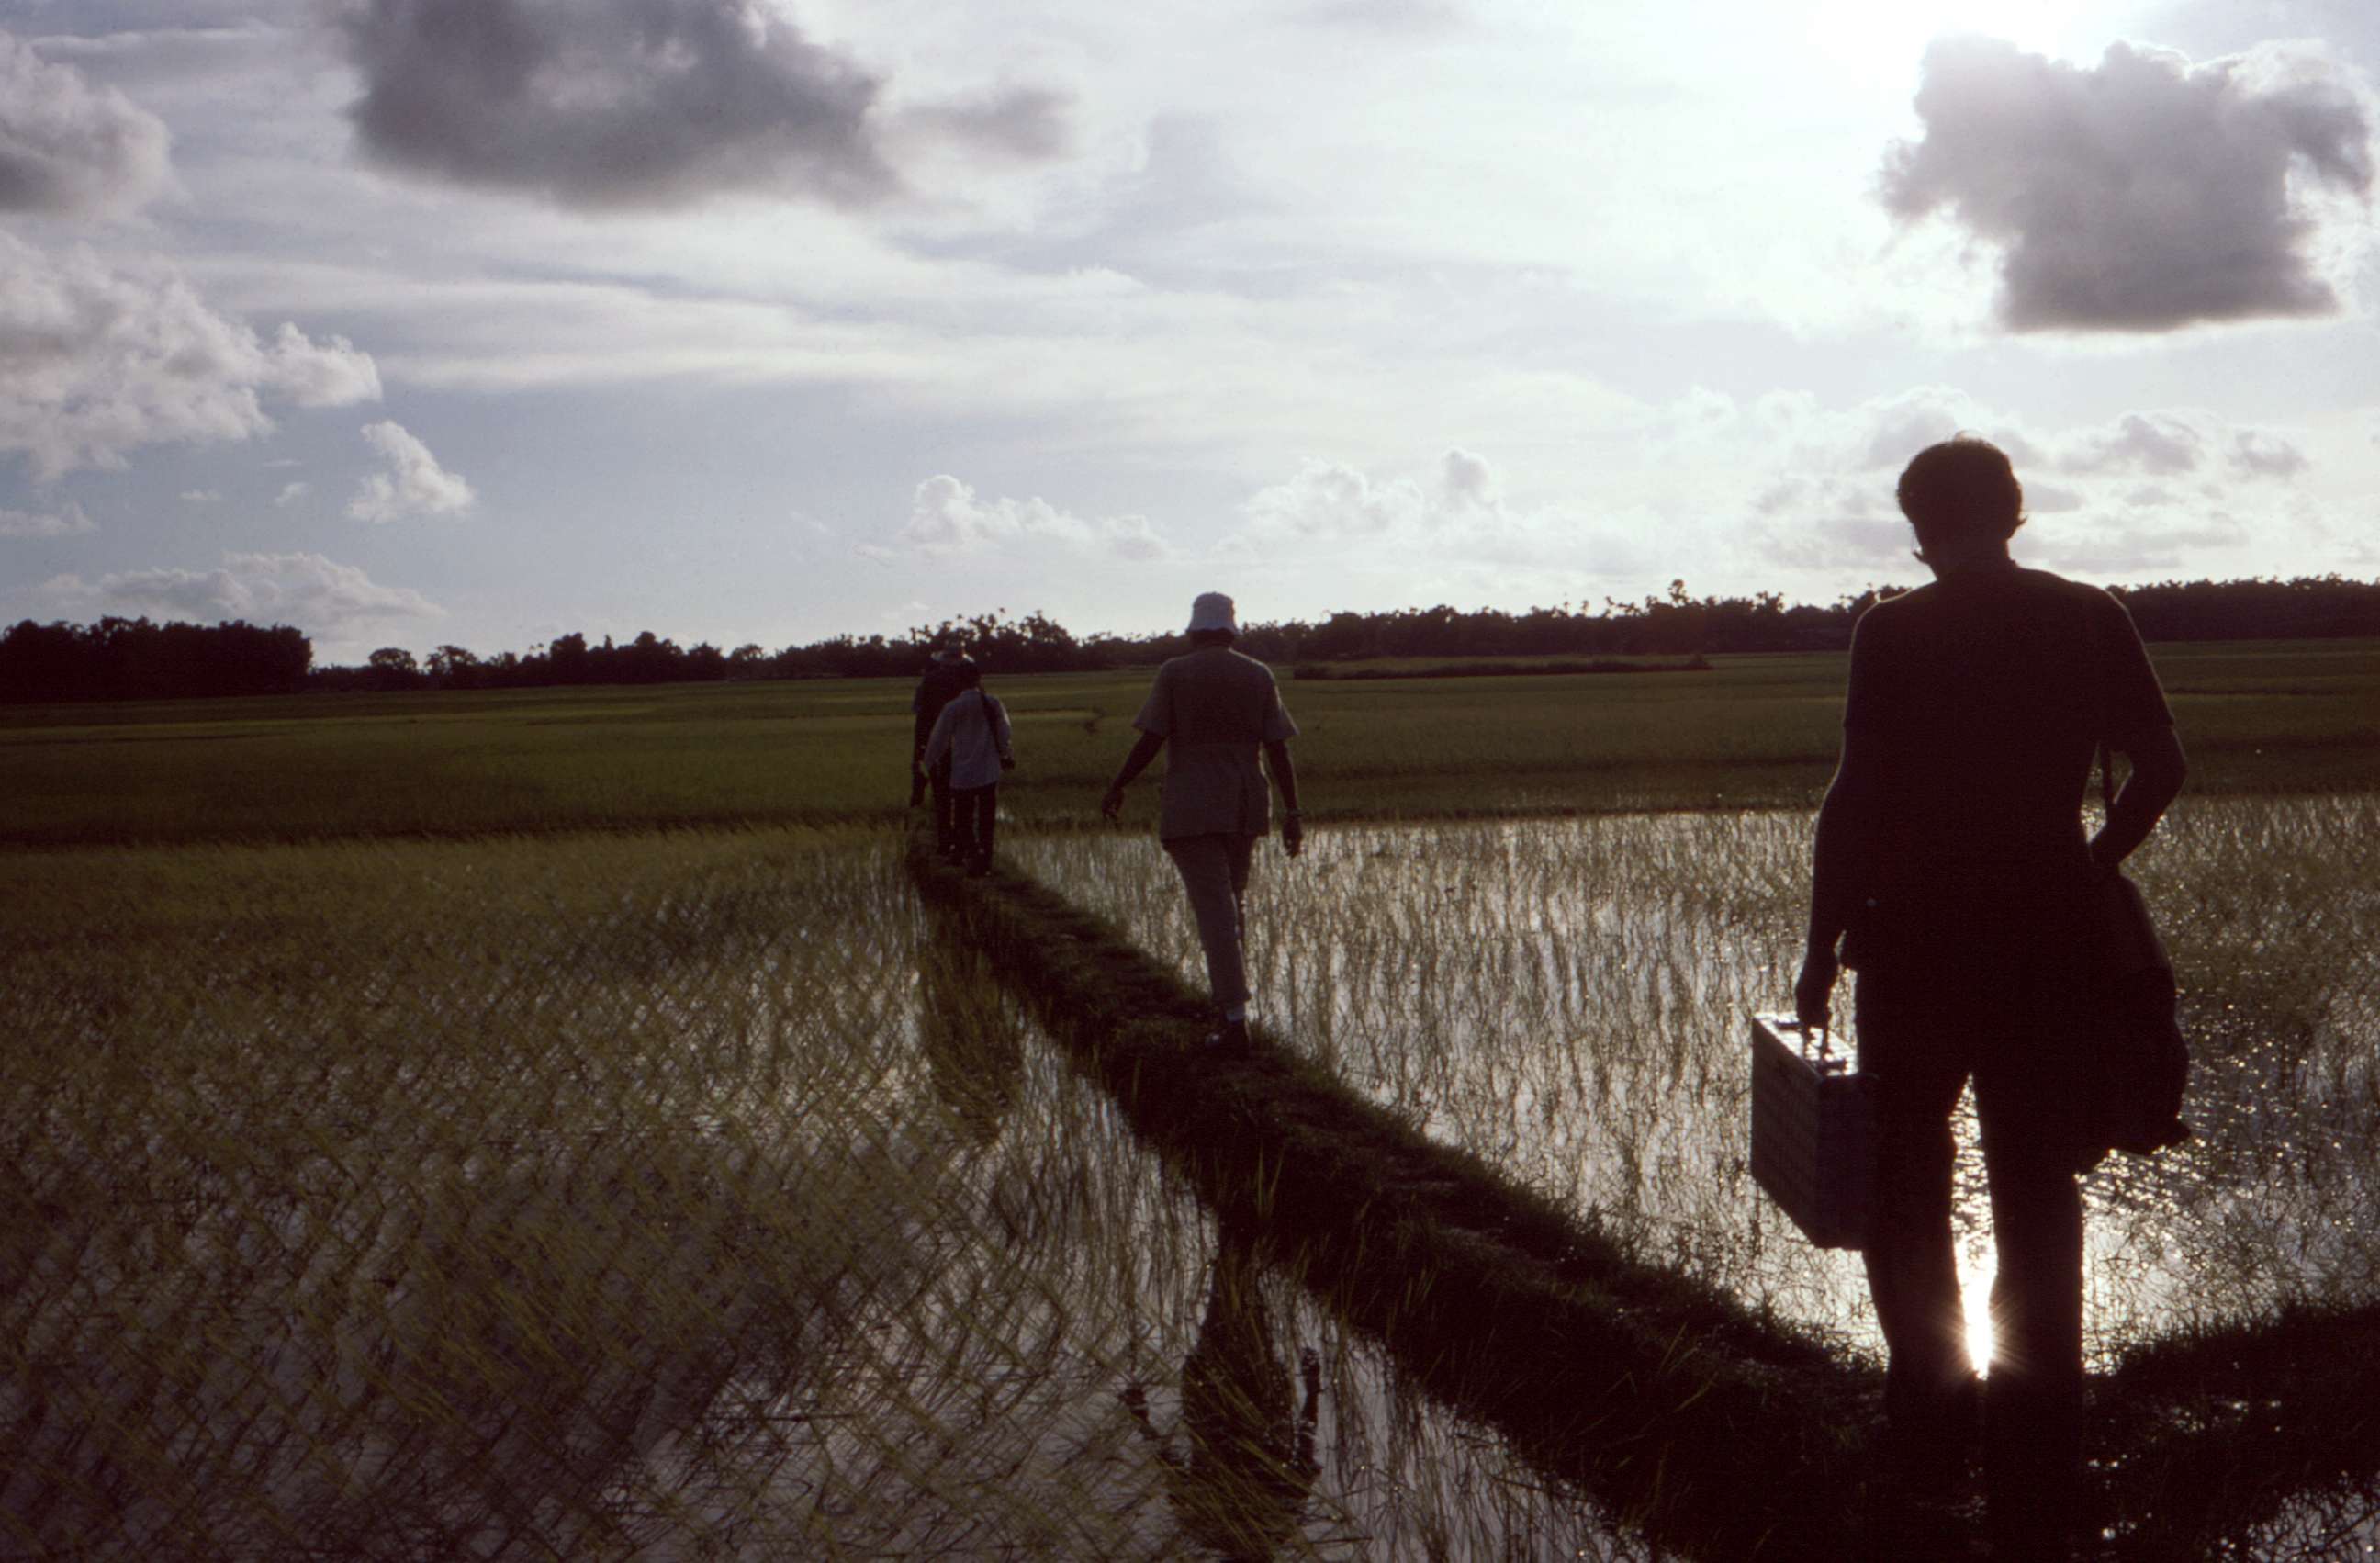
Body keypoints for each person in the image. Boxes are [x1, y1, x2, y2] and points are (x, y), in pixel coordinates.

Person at [1793, 435, 2186, 1557]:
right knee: (2036, 1178)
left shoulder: (1896, 630)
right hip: (2050, 939)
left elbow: (1856, 794)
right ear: (2016, 514)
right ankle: (2040, 1423)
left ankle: (1927, 1404)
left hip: (1914, 940)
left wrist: (1820, 948)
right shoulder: (2090, 616)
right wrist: (2093, 861)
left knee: (1908, 1177)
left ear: (1920, 528)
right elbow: (2163, 765)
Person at [1102, 592, 1302, 1051]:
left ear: (1194, 630)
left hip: (1193, 806)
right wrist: (1294, 811)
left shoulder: (1176, 672)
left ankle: (1234, 1020)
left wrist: (1119, 783)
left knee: (1216, 912)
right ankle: (1232, 1008)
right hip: (1245, 805)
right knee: (1233, 907)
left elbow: (1152, 738)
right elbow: (1278, 748)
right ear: (1231, 630)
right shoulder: (1258, 673)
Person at [920, 659, 1014, 877]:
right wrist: (1006, 755)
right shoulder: (993, 703)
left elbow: (938, 740)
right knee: (986, 819)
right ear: (979, 679)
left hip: (962, 773)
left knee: (963, 818)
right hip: (989, 771)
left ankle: (971, 854)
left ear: (957, 681)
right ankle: (985, 859)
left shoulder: (953, 707)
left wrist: (927, 763)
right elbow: (1005, 733)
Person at [911, 643, 973, 857]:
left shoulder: (929, 681)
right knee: (964, 796)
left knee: (942, 795)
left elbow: (921, 719)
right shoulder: (969, 683)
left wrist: (918, 753)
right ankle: (961, 842)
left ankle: (946, 841)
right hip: (966, 746)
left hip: (938, 744)